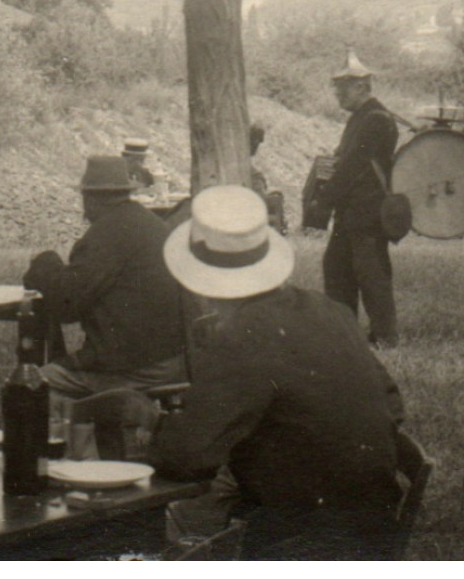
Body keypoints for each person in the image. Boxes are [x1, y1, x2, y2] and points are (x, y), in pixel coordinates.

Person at [155, 184, 405, 559]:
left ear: (202, 284)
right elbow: (394, 405)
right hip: (377, 525)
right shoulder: (329, 310)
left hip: (307, 542)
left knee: (175, 529)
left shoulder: (241, 335)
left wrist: (151, 422)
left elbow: (187, 457)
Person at [23, 156, 189, 397]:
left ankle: (67, 433)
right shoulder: (148, 223)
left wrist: (44, 263)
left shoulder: (106, 233)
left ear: (90, 199)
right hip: (174, 360)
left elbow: (65, 305)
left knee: (31, 385)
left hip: (136, 368)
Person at [310, 50, 400, 347]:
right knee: (337, 269)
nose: (337, 94)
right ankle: (346, 335)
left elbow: (352, 167)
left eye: (342, 88)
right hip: (353, 211)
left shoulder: (374, 119)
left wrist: (324, 200)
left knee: (371, 274)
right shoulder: (362, 118)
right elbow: (347, 162)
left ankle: (385, 337)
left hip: (368, 211)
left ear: (361, 87)